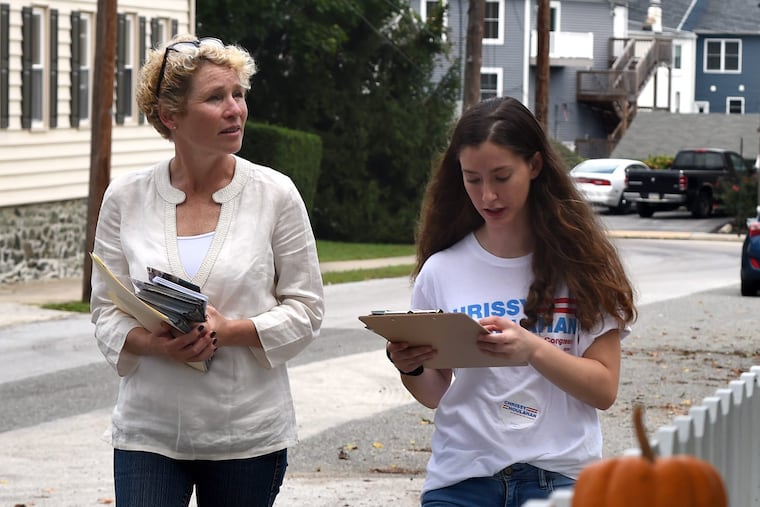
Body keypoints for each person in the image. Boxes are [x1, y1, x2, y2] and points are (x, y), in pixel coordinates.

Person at [90, 34, 324, 507]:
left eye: (238, 94)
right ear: (169, 116)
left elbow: (307, 309)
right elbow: (104, 312)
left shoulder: (275, 194)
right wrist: (155, 344)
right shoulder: (125, 197)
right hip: (149, 431)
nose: (235, 108)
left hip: (246, 433)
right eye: (216, 97)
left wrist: (231, 330)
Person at [386, 96, 636, 506]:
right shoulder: (441, 270)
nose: (487, 196)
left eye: (501, 177)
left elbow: (604, 389)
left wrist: (531, 348)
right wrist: (410, 367)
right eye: (472, 179)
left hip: (560, 479)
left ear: (534, 166)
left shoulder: (581, 265)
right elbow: (435, 393)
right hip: (461, 480)